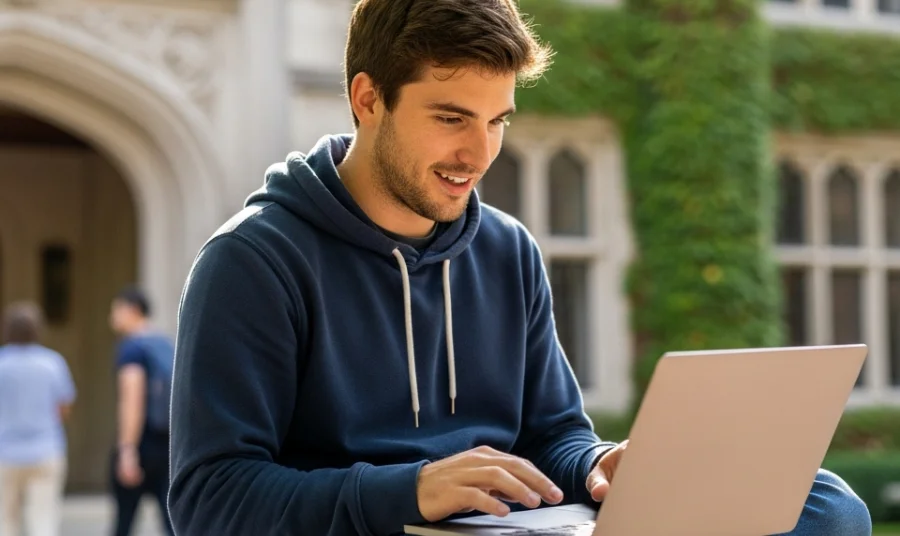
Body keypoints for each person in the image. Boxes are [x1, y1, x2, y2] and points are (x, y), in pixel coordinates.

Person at [167, 0, 872, 534]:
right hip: (392, 525)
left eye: (497, 120)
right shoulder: (254, 262)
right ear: (368, 99)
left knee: (826, 505)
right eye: (451, 118)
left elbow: (554, 434)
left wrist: (597, 465)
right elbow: (210, 498)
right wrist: (407, 490)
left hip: (514, 524)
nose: (479, 154)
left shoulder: (507, 251)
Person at [0, 302, 75, 536]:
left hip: (4, 454)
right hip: (46, 451)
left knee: (4, 521)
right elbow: (64, 407)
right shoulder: (52, 363)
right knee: (43, 521)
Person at [108, 287, 175, 536]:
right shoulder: (165, 343)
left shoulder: (132, 348)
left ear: (133, 310)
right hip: (167, 442)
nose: (112, 317)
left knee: (124, 522)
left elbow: (131, 399)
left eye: (116, 310)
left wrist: (127, 450)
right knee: (172, 522)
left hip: (141, 443)